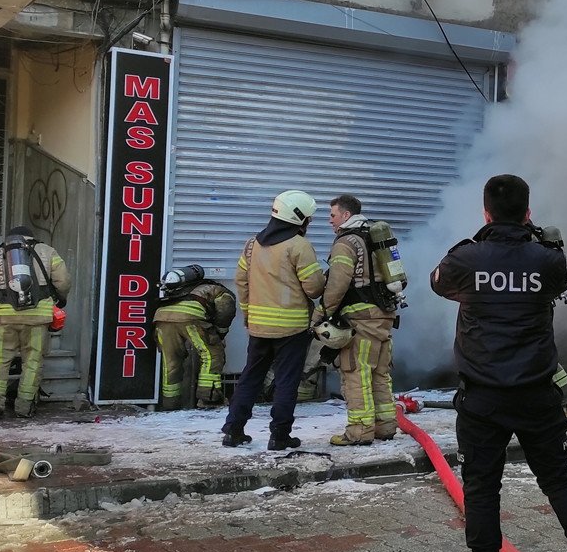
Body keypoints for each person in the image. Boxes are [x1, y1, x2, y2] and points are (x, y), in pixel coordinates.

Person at [431, 174, 567, 552]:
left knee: (480, 490)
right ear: (528, 213)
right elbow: (561, 285)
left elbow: (437, 283)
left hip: (481, 400)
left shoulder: (465, 258)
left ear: (485, 212)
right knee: (558, 478)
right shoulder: (546, 259)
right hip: (536, 395)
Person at [222, 190, 325, 451]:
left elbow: (241, 282)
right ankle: (279, 436)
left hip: (258, 328)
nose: (309, 223)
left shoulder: (251, 244)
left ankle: (233, 430)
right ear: (299, 217)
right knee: (286, 381)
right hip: (291, 329)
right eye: (309, 218)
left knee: (250, 377)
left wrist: (248, 315)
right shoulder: (299, 246)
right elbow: (313, 288)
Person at [321, 194, 400, 446]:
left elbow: (337, 284)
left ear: (345, 215)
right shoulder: (374, 237)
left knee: (356, 373)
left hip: (360, 319)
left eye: (332, 215)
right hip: (384, 316)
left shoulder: (346, 242)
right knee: (380, 373)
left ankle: (360, 431)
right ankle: (385, 426)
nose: (329, 220)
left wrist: (321, 313)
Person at [0, 226, 71, 420]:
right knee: (32, 362)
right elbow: (64, 281)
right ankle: (24, 407)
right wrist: (61, 298)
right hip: (38, 318)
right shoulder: (48, 251)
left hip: (5, 318)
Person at [154, 265, 236, 410]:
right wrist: (220, 331)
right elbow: (225, 308)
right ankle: (209, 400)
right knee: (212, 355)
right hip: (190, 318)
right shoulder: (215, 288)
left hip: (161, 318)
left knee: (171, 363)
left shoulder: (180, 289)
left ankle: (170, 405)